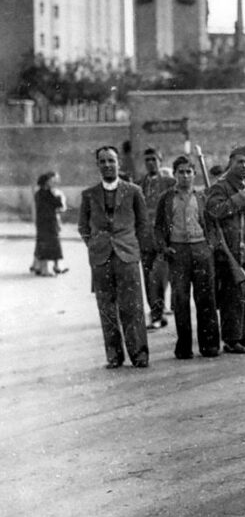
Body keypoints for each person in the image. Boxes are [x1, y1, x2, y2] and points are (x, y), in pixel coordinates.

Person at [78, 146, 151, 369]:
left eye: (111, 160)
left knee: (133, 306)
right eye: (103, 161)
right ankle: (113, 355)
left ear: (119, 163)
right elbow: (83, 226)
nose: (107, 165)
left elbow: (142, 224)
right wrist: (94, 245)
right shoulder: (89, 194)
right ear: (97, 165)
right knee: (106, 308)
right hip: (101, 258)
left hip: (127, 256)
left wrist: (134, 247)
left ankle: (139, 354)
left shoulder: (133, 191)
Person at [153, 155, 220, 359]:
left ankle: (210, 346)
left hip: (201, 250)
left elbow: (213, 226)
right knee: (180, 299)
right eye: (180, 172)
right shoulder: (166, 198)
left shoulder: (202, 197)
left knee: (206, 298)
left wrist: (210, 247)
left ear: (194, 174)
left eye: (188, 172)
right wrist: (164, 247)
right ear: (174, 174)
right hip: (178, 251)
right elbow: (158, 227)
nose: (185, 176)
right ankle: (183, 347)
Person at [205, 145, 245, 354]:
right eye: (240, 162)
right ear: (231, 163)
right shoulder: (220, 187)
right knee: (233, 296)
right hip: (232, 249)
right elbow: (214, 211)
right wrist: (240, 198)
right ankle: (232, 339)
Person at [138, 147, 176, 329]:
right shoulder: (139, 185)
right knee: (147, 277)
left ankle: (159, 312)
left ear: (161, 161)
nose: (151, 163)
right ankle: (156, 314)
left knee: (159, 277)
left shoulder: (170, 183)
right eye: (147, 160)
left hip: (164, 238)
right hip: (144, 239)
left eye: (154, 159)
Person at [33, 171, 68, 276]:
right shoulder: (46, 193)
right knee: (47, 244)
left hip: (47, 222)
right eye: (51, 181)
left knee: (52, 244)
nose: (54, 183)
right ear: (46, 182)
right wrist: (56, 195)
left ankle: (50, 267)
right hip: (47, 222)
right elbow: (58, 204)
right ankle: (44, 269)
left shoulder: (41, 193)